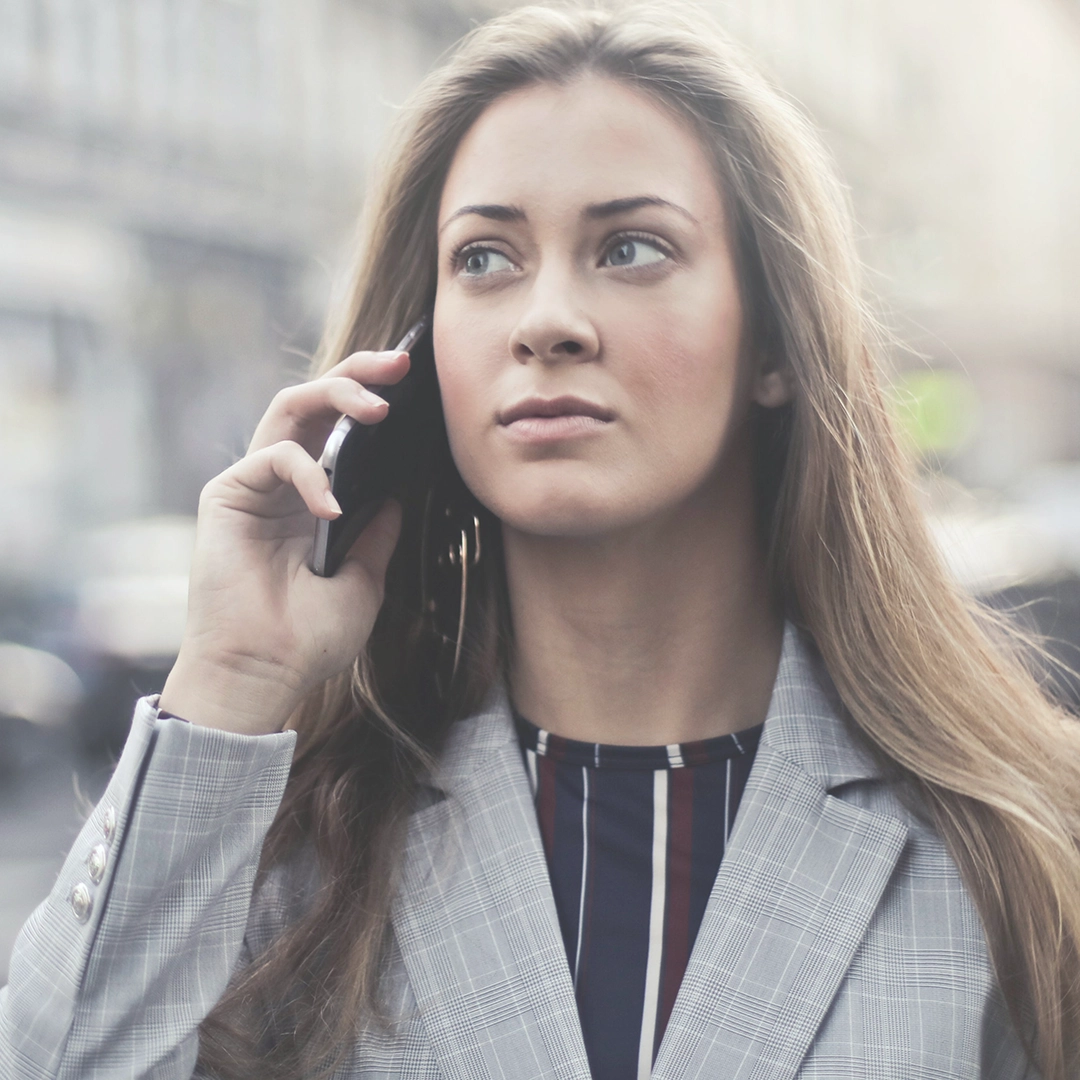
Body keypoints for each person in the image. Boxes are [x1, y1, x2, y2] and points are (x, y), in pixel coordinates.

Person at [3, 4, 1079, 1078]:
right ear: (421, 359)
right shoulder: (295, 846)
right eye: (484, 259)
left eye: (632, 248)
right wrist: (229, 680)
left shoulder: (1004, 845)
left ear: (774, 341)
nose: (547, 318)